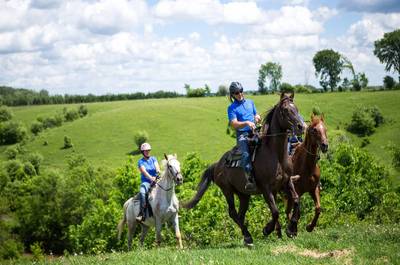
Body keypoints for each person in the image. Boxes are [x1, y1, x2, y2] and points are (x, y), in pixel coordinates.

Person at [227, 82, 261, 192]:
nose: (240, 94)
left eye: (241, 91)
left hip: (255, 131)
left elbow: (256, 114)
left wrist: (257, 117)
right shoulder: (231, 108)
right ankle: (249, 179)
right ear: (233, 95)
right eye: (237, 93)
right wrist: (246, 123)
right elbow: (234, 124)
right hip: (242, 135)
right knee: (245, 154)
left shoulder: (250, 102)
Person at [136, 142, 161, 222]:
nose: (147, 152)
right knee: (142, 192)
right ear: (142, 152)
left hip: (156, 180)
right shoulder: (140, 162)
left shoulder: (153, 158)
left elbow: (157, 167)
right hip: (146, 182)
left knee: (167, 188)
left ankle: (173, 209)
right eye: (146, 151)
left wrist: (158, 172)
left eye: (148, 150)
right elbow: (144, 172)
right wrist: (151, 178)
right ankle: (142, 213)